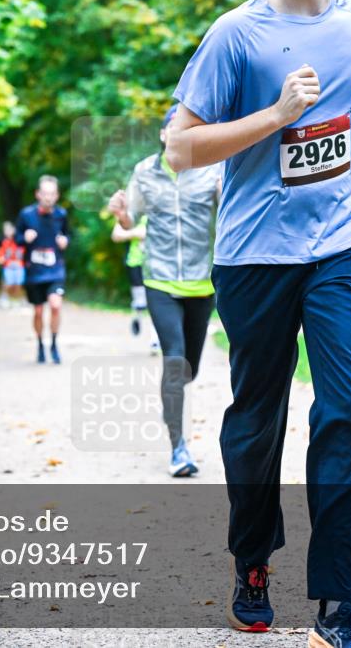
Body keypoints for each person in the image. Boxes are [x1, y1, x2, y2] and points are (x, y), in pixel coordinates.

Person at [165, 0, 351, 644]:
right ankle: (252, 561)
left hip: (344, 249)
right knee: (258, 418)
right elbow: (180, 147)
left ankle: (339, 606)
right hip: (254, 255)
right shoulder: (235, 34)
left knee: (348, 407)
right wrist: (277, 113)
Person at [107, 104, 221, 478]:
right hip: (159, 279)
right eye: (174, 127)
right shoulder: (144, 171)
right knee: (174, 360)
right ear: (162, 135)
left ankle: (170, 399)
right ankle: (179, 448)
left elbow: (229, 219)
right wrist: (120, 211)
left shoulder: (211, 169)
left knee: (190, 369)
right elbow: (130, 219)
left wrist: (225, 194)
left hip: (201, 282)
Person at [15, 175, 70, 364]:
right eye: (45, 193)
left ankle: (54, 344)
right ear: (38, 194)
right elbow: (16, 238)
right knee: (38, 311)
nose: (48, 197)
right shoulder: (26, 215)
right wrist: (25, 238)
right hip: (34, 271)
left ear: (57, 195)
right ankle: (40, 344)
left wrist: (65, 241)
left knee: (56, 305)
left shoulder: (61, 215)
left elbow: (68, 235)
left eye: (52, 193)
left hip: (55, 269)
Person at [110, 215, 160, 353]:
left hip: (156, 264)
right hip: (135, 263)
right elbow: (116, 235)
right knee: (141, 301)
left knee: (156, 302)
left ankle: (155, 339)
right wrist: (138, 233)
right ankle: (137, 313)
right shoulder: (132, 213)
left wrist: (141, 233)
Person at [0, 221, 25, 308]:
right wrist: (1, 259)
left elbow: (24, 252)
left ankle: (16, 300)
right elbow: (0, 254)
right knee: (8, 284)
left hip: (19, 266)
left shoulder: (20, 241)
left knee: (18, 284)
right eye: (6, 230)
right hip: (8, 266)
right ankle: (5, 298)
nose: (8, 232)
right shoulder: (3, 242)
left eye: (10, 229)